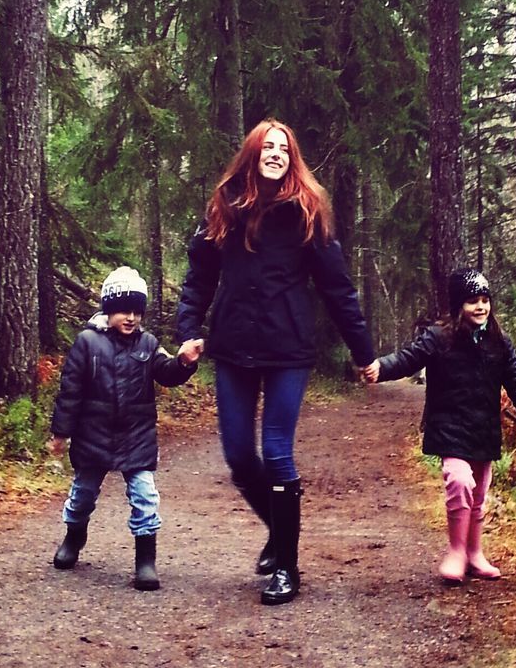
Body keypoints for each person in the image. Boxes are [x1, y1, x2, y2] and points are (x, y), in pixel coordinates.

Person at [176, 119, 374, 606]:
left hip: (287, 346)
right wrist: (188, 331)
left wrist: (362, 350)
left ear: (293, 157)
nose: (275, 154)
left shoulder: (308, 212)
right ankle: (279, 532)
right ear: (252, 154)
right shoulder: (224, 206)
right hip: (233, 345)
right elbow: (199, 277)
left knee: (279, 452)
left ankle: (287, 566)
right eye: (267, 147)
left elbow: (337, 287)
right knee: (240, 457)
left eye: (284, 148)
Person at [361, 268, 516, 584]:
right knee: (460, 483)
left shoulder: (498, 341)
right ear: (459, 304)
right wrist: (380, 367)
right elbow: (408, 358)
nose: (481, 307)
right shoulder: (439, 337)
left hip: (483, 430)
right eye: (473, 301)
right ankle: (456, 551)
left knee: (478, 495)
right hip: (449, 428)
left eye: (485, 300)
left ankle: (475, 553)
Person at [49, 265, 204, 591]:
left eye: (137, 311)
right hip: (93, 436)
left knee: (145, 497)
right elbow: (70, 391)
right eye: (123, 310)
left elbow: (166, 373)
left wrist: (185, 362)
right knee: (83, 495)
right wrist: (61, 433)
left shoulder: (147, 344)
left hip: (137, 437)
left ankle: (145, 561)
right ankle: (73, 538)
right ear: (108, 310)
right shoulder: (87, 343)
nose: (131, 318)